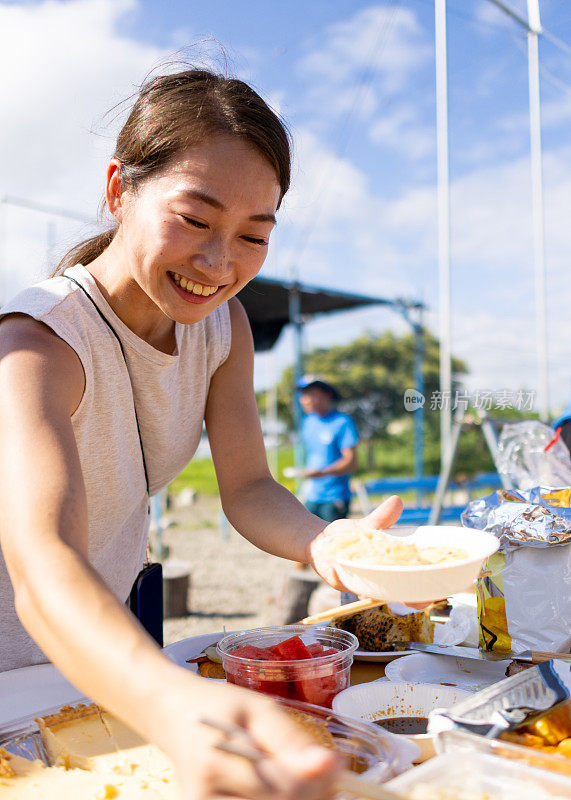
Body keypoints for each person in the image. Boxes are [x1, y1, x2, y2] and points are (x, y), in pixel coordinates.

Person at [0, 68, 405, 799]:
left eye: (254, 235)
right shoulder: (35, 344)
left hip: (99, 665)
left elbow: (248, 487)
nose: (220, 264)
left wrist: (325, 543)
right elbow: (41, 561)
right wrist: (170, 702)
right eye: (194, 219)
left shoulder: (224, 327)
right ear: (119, 189)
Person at [298, 376, 359, 522]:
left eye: (311, 394)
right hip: (312, 495)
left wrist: (322, 473)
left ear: (327, 395)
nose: (305, 400)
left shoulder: (342, 422)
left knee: (332, 541)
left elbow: (351, 462)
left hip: (334, 496)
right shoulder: (307, 423)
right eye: (303, 395)